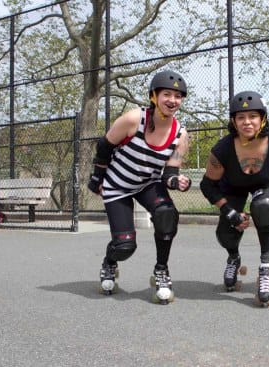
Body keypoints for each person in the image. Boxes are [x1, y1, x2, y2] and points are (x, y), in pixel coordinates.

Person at [87, 70, 191, 305]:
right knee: (125, 246)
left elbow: (170, 172)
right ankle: (109, 262)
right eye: (167, 94)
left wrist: (176, 181)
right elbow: (105, 146)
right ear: (154, 96)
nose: (172, 100)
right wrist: (97, 178)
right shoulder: (135, 119)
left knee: (167, 215)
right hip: (118, 186)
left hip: (148, 183)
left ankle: (161, 271)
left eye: (178, 96)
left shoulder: (180, 134)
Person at [200, 91, 269, 307]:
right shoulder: (223, 149)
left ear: (262, 118)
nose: (247, 122)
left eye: (252, 116)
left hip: (265, 185)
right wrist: (230, 212)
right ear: (233, 121)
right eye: (241, 117)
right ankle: (233, 258)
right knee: (226, 233)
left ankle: (266, 268)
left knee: (263, 206)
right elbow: (207, 185)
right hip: (232, 186)